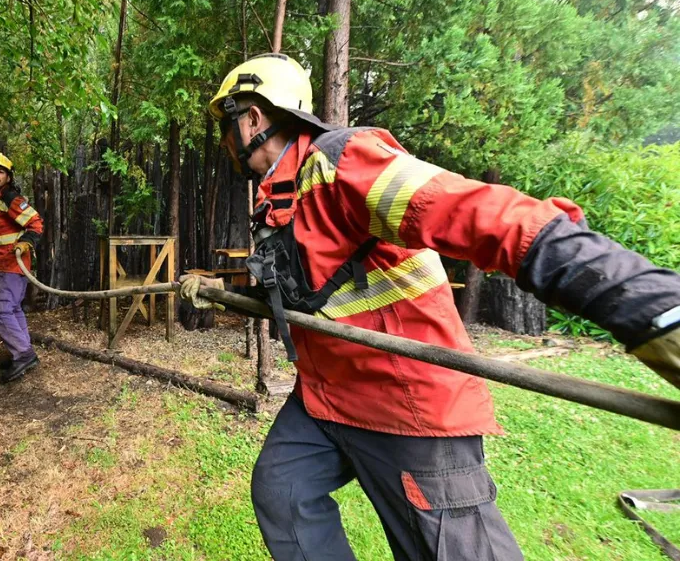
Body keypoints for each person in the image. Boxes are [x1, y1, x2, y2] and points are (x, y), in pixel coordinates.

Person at [178, 53, 680, 560]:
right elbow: (305, 294)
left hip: (408, 403)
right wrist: (220, 291)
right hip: (327, 397)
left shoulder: (342, 164)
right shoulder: (279, 198)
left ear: (253, 118)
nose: (224, 141)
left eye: (225, 124)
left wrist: (649, 306)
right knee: (283, 491)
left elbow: (478, 212)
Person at [0, 152, 44, 383]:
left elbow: (36, 223)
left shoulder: (10, 198)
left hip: (10, 264)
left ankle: (23, 355)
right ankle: (23, 351)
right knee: (13, 309)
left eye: (1, 171)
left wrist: (26, 242)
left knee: (1, 310)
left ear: (8, 176)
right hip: (2, 264)